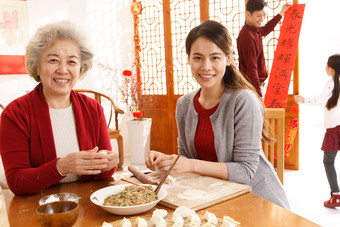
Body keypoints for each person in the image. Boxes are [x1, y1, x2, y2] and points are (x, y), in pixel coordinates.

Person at [146, 20, 290, 209]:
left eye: (215, 57)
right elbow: (188, 158)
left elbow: (245, 171)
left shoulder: (243, 101)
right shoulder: (184, 104)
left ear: (228, 59)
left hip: (257, 201)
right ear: (188, 58)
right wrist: (168, 160)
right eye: (198, 57)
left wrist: (190, 165)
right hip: (213, 196)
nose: (206, 67)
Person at [0, 21, 118, 195]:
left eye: (72, 62)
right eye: (53, 60)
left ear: (81, 67)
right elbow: (17, 181)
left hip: (86, 203)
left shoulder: (93, 109)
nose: (63, 70)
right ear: (37, 66)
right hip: (40, 208)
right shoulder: (15, 114)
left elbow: (104, 175)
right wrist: (61, 167)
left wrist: (109, 163)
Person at [294, 54, 340, 208]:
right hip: (335, 127)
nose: (325, 67)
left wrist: (303, 100)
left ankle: (336, 196)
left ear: (331, 69)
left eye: (326, 65)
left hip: (334, 128)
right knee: (329, 161)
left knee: (328, 161)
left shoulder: (331, 83)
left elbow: (320, 100)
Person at [237, 0, 291, 97]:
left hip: (255, 85)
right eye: (258, 16)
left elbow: (265, 30)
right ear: (248, 14)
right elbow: (252, 69)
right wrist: (258, 95)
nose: (262, 19)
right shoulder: (247, 37)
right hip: (252, 87)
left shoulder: (255, 30)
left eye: (264, 15)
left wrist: (281, 13)